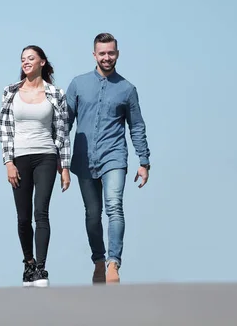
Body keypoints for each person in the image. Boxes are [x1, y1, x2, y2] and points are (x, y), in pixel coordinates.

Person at [66, 32, 151, 284]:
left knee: (114, 206)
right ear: (94, 55)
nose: (106, 57)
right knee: (92, 214)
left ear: (117, 54)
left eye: (110, 53)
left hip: (114, 156)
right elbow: (65, 123)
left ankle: (114, 263)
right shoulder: (78, 84)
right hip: (83, 159)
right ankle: (99, 261)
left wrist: (143, 161)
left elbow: (136, 126)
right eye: (102, 53)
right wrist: (57, 159)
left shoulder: (127, 89)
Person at [0, 45, 71, 288]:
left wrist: (65, 167)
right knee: (22, 217)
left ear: (42, 62)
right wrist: (8, 162)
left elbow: (62, 131)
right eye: (23, 59)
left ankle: (41, 267)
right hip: (19, 157)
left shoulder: (55, 93)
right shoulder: (10, 92)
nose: (26, 62)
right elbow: (4, 131)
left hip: (46, 156)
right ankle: (28, 264)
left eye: (31, 58)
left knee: (41, 212)